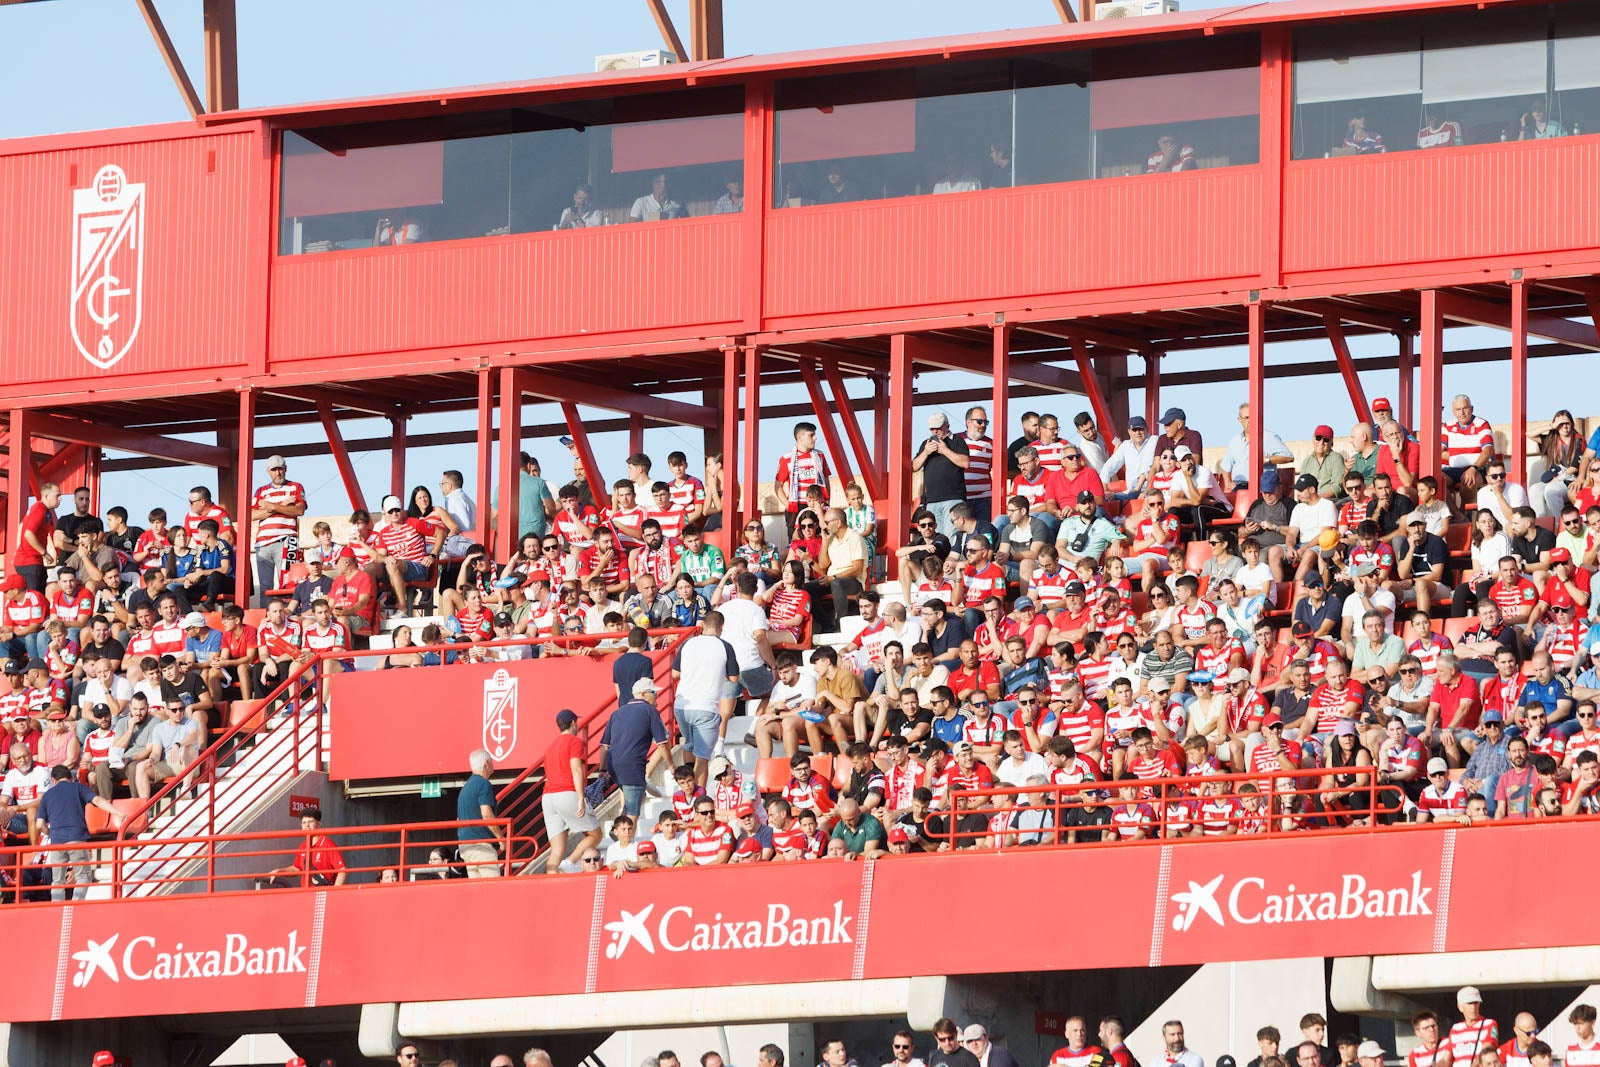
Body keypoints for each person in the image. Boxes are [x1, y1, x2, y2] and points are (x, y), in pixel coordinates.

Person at [37, 762, 123, 899]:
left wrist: (50, 834)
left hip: (57, 842)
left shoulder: (47, 795)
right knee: (82, 876)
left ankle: (57, 907)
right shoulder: (79, 787)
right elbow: (98, 801)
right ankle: (77, 903)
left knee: (57, 880)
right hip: (77, 838)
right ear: (70, 778)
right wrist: (118, 813)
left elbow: (39, 824)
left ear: (53, 780)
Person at [541, 708, 601, 873]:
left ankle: (552, 885)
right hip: (567, 792)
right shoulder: (574, 742)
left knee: (556, 850)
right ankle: (571, 862)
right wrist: (581, 797)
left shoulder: (550, 747)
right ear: (573, 723)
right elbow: (576, 769)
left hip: (548, 797)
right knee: (595, 835)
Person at [603, 676, 669, 817]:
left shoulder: (616, 713)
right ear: (644, 694)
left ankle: (618, 827)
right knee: (633, 813)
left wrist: (603, 769)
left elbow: (604, 745)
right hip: (633, 766)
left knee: (637, 796)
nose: (657, 697)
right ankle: (622, 832)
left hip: (614, 766)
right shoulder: (650, 711)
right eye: (654, 693)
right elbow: (662, 744)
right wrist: (672, 766)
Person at [249, 455, 307, 606]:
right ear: (268, 471)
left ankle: (288, 616)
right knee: (265, 588)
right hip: (263, 543)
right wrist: (283, 505)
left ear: (285, 469)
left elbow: (299, 510)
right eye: (274, 470)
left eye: (280, 469)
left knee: (288, 584)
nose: (278, 473)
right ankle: (266, 619)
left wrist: (272, 506)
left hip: (287, 541)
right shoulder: (261, 491)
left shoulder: (295, 487)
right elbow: (251, 515)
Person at [260, 806, 347, 888]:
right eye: (304, 823)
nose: (307, 825)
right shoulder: (303, 846)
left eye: (311, 822)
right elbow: (297, 869)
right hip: (306, 893)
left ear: (319, 824)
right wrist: (279, 871)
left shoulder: (328, 844)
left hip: (323, 892)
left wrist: (334, 892)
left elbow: (342, 870)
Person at [915, 411, 971, 535]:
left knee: (951, 537)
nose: (935, 432)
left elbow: (965, 462)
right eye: (932, 429)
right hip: (932, 499)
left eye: (938, 428)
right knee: (934, 539)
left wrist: (945, 450)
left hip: (953, 498)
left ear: (947, 426)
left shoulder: (957, 441)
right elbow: (914, 466)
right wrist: (925, 452)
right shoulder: (926, 444)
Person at [456, 749, 503, 878]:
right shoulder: (483, 784)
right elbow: (487, 814)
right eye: (492, 762)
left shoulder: (465, 788)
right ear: (487, 764)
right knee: (492, 889)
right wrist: (501, 838)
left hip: (466, 846)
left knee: (477, 890)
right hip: (482, 845)